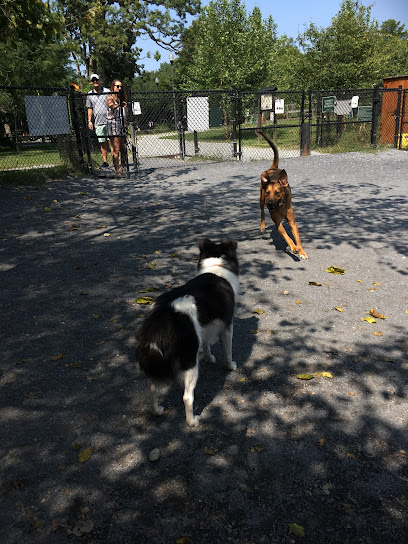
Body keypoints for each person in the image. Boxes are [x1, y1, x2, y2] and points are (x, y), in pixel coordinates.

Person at [86, 74, 110, 168]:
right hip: (98, 122)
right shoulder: (90, 94)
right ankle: (105, 161)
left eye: (96, 80)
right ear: (91, 82)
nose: (95, 82)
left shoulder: (107, 91)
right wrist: (89, 120)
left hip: (109, 120)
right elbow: (89, 108)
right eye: (93, 80)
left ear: (100, 81)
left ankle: (116, 160)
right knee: (102, 142)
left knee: (112, 141)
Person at [106, 80, 127, 177]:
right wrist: (117, 105)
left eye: (120, 87)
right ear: (113, 87)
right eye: (117, 86)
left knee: (123, 148)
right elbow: (110, 105)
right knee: (116, 149)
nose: (119, 88)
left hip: (121, 124)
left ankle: (123, 169)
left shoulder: (121, 98)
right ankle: (117, 171)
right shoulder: (110, 97)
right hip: (113, 124)